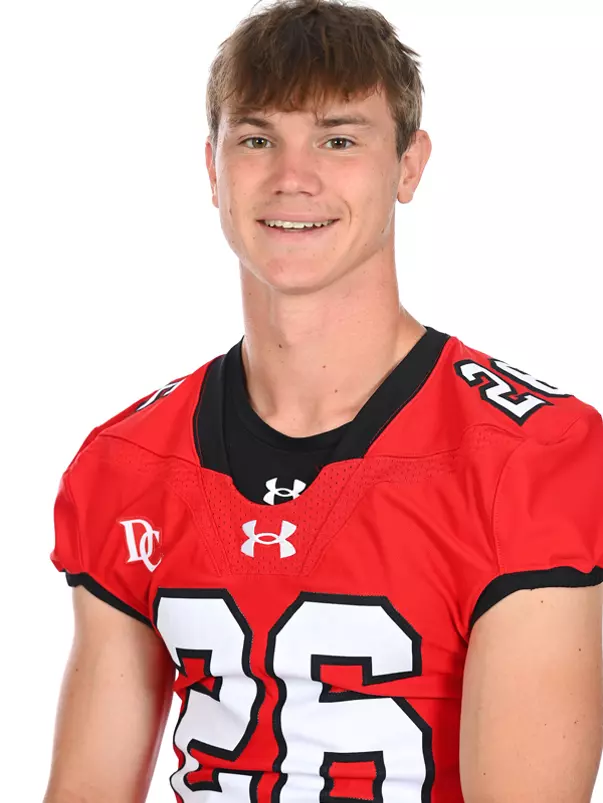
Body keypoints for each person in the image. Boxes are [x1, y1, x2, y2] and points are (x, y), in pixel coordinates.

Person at [44, 0, 603, 801]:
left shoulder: (530, 453)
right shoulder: (124, 462)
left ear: (408, 166)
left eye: (338, 139)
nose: (291, 176)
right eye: (256, 139)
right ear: (212, 169)